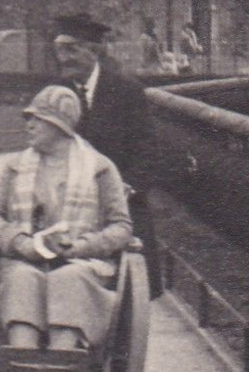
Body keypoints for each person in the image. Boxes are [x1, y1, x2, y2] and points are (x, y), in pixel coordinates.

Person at [0, 85, 133, 350]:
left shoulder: (100, 168)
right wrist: (20, 243)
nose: (29, 125)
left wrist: (83, 246)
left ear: (59, 126)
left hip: (82, 263)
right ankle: (20, 363)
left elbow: (121, 226)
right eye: (29, 119)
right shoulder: (16, 167)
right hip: (23, 260)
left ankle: (64, 365)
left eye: (37, 119)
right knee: (22, 279)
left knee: (69, 279)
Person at [49, 33, 163, 298]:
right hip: (68, 200)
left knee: (131, 283)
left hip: (119, 199)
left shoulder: (126, 91)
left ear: (94, 50)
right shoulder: (55, 92)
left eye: (71, 50)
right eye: (59, 50)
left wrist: (127, 187)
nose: (63, 58)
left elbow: (147, 149)